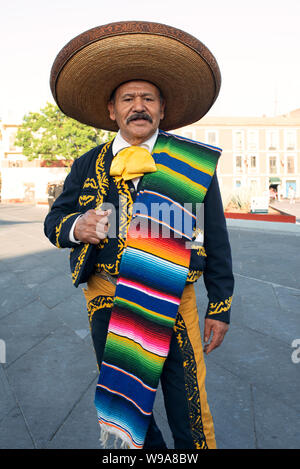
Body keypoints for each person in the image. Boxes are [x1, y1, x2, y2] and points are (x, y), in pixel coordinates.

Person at [44, 21, 234, 450]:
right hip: (105, 296)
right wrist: (77, 226)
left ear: (163, 109)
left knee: (188, 407)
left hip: (173, 298)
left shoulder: (191, 162)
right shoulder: (85, 164)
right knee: (123, 403)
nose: (139, 106)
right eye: (128, 98)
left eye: (148, 98)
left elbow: (218, 239)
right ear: (112, 110)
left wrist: (219, 307)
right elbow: (53, 222)